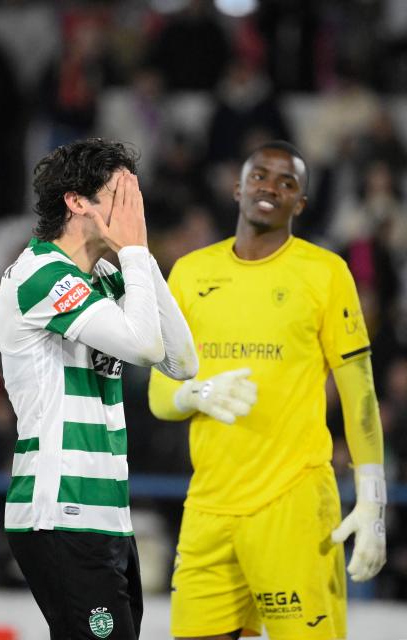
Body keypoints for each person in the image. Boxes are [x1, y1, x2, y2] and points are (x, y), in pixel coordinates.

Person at [148, 140, 386, 640]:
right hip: (208, 506)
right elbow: (159, 394)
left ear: (300, 203)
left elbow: (359, 390)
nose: (270, 188)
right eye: (260, 176)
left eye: (287, 182)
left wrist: (373, 498)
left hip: (292, 502)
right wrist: (194, 395)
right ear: (237, 188)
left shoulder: (325, 273)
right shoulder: (190, 274)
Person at [0, 138, 198, 640]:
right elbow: (146, 348)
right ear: (76, 201)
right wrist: (134, 252)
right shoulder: (41, 275)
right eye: (119, 196)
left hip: (107, 514)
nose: (134, 211)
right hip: (61, 509)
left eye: (136, 197)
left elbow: (182, 361)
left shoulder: (107, 275)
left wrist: (140, 259)